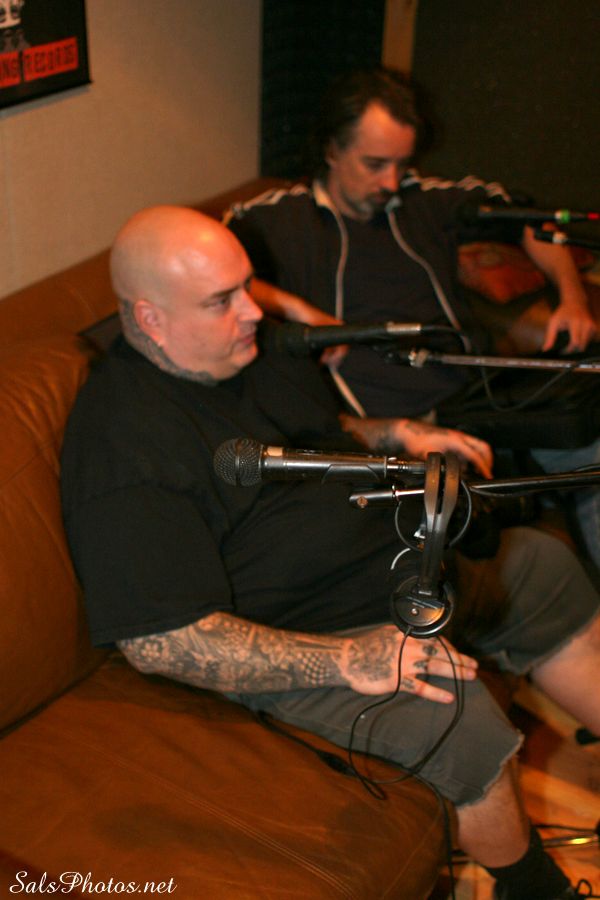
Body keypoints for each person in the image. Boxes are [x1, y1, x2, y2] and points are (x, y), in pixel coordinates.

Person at [60, 206, 600, 900]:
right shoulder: (124, 446)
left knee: (541, 569)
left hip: (399, 564)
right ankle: (537, 890)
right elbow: (159, 639)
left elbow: (319, 428)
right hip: (303, 633)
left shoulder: (242, 352)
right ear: (151, 319)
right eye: (221, 300)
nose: (253, 311)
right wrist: (346, 658)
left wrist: (396, 432)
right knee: (457, 719)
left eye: (247, 286)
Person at [224, 67, 600, 570]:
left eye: (401, 164)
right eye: (375, 164)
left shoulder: (426, 200)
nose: (391, 182)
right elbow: (209, 270)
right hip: (387, 430)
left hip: (475, 396)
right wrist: (298, 311)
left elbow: (532, 222)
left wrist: (572, 298)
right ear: (332, 149)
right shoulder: (278, 218)